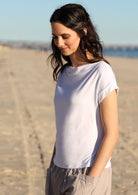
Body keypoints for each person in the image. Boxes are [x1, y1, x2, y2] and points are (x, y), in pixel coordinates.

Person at [45, 3, 119, 195]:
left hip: (87, 172)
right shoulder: (64, 74)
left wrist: (90, 180)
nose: (59, 43)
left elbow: (112, 133)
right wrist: (52, 167)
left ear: (83, 32)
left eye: (65, 36)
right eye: (55, 37)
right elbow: (65, 124)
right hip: (57, 171)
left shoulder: (101, 72)